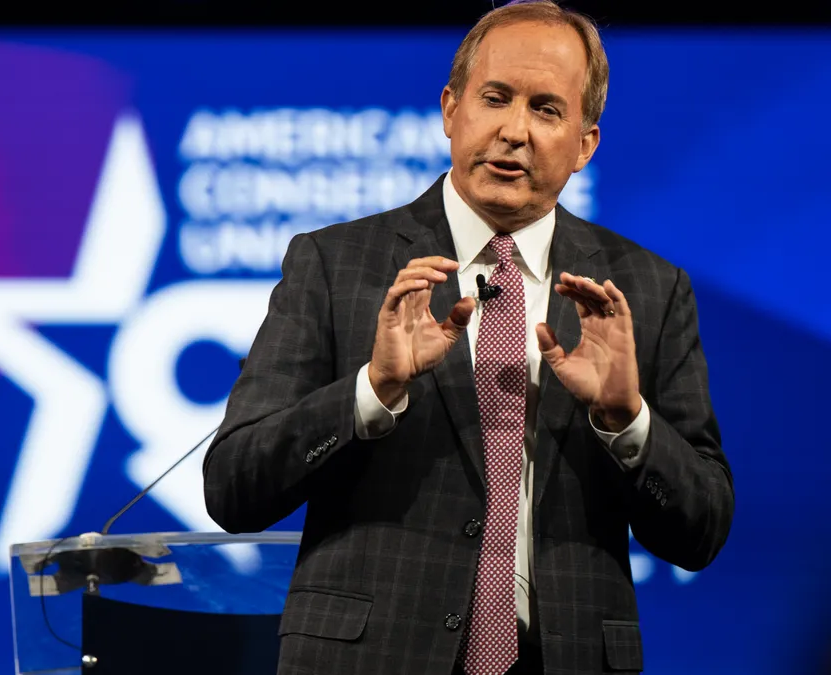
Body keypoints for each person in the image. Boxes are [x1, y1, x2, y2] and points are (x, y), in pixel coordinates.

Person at [201, 1, 734, 673]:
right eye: (495, 98)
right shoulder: (336, 265)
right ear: (451, 110)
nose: (515, 130)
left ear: (585, 143)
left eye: (547, 109)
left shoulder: (647, 289)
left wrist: (627, 422)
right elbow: (232, 487)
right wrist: (372, 389)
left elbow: (703, 529)